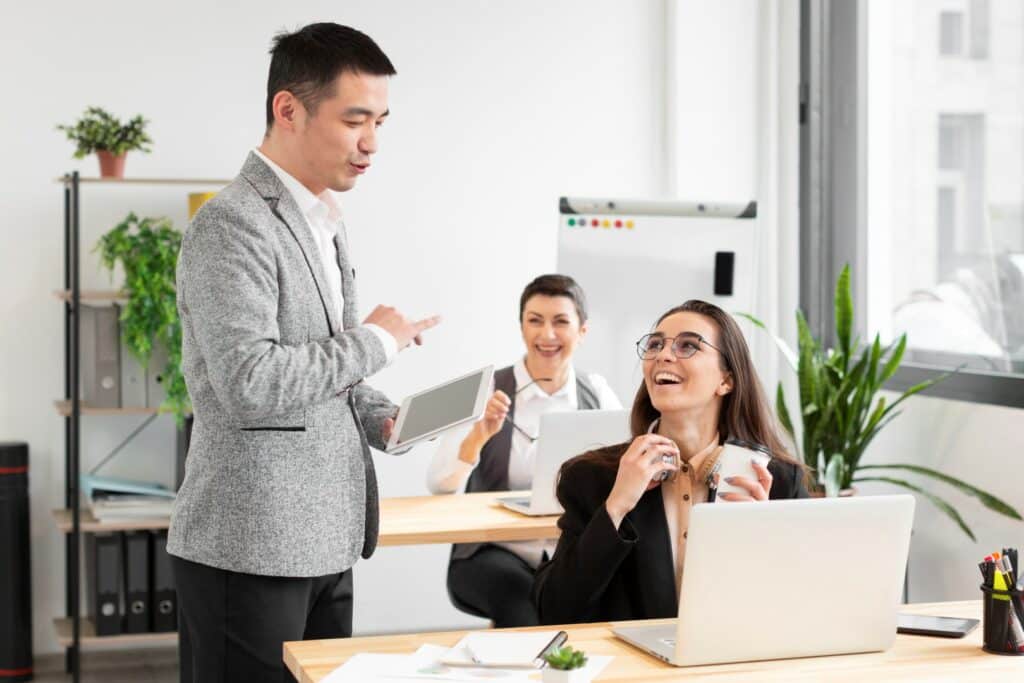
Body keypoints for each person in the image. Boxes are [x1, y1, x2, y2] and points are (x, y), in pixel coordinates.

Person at [169, 23, 439, 682]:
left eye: (380, 120)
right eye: (354, 120)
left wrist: (394, 422)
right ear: (287, 110)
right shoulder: (231, 225)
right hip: (251, 545)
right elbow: (248, 380)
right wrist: (377, 340)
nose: (371, 143)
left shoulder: (323, 222)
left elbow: (330, 375)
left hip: (327, 537)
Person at [532, 299, 807, 625]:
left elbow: (802, 609)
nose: (663, 354)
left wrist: (762, 538)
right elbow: (553, 609)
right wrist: (616, 507)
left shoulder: (780, 481)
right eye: (655, 344)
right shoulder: (592, 478)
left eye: (688, 345)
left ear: (726, 381)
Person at [426, 274, 621, 627]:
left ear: (582, 331)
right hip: (494, 552)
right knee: (523, 611)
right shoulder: (484, 389)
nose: (546, 335)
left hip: (569, 553)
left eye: (561, 321)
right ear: (521, 327)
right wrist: (478, 437)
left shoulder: (598, 393)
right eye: (535, 321)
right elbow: (439, 484)